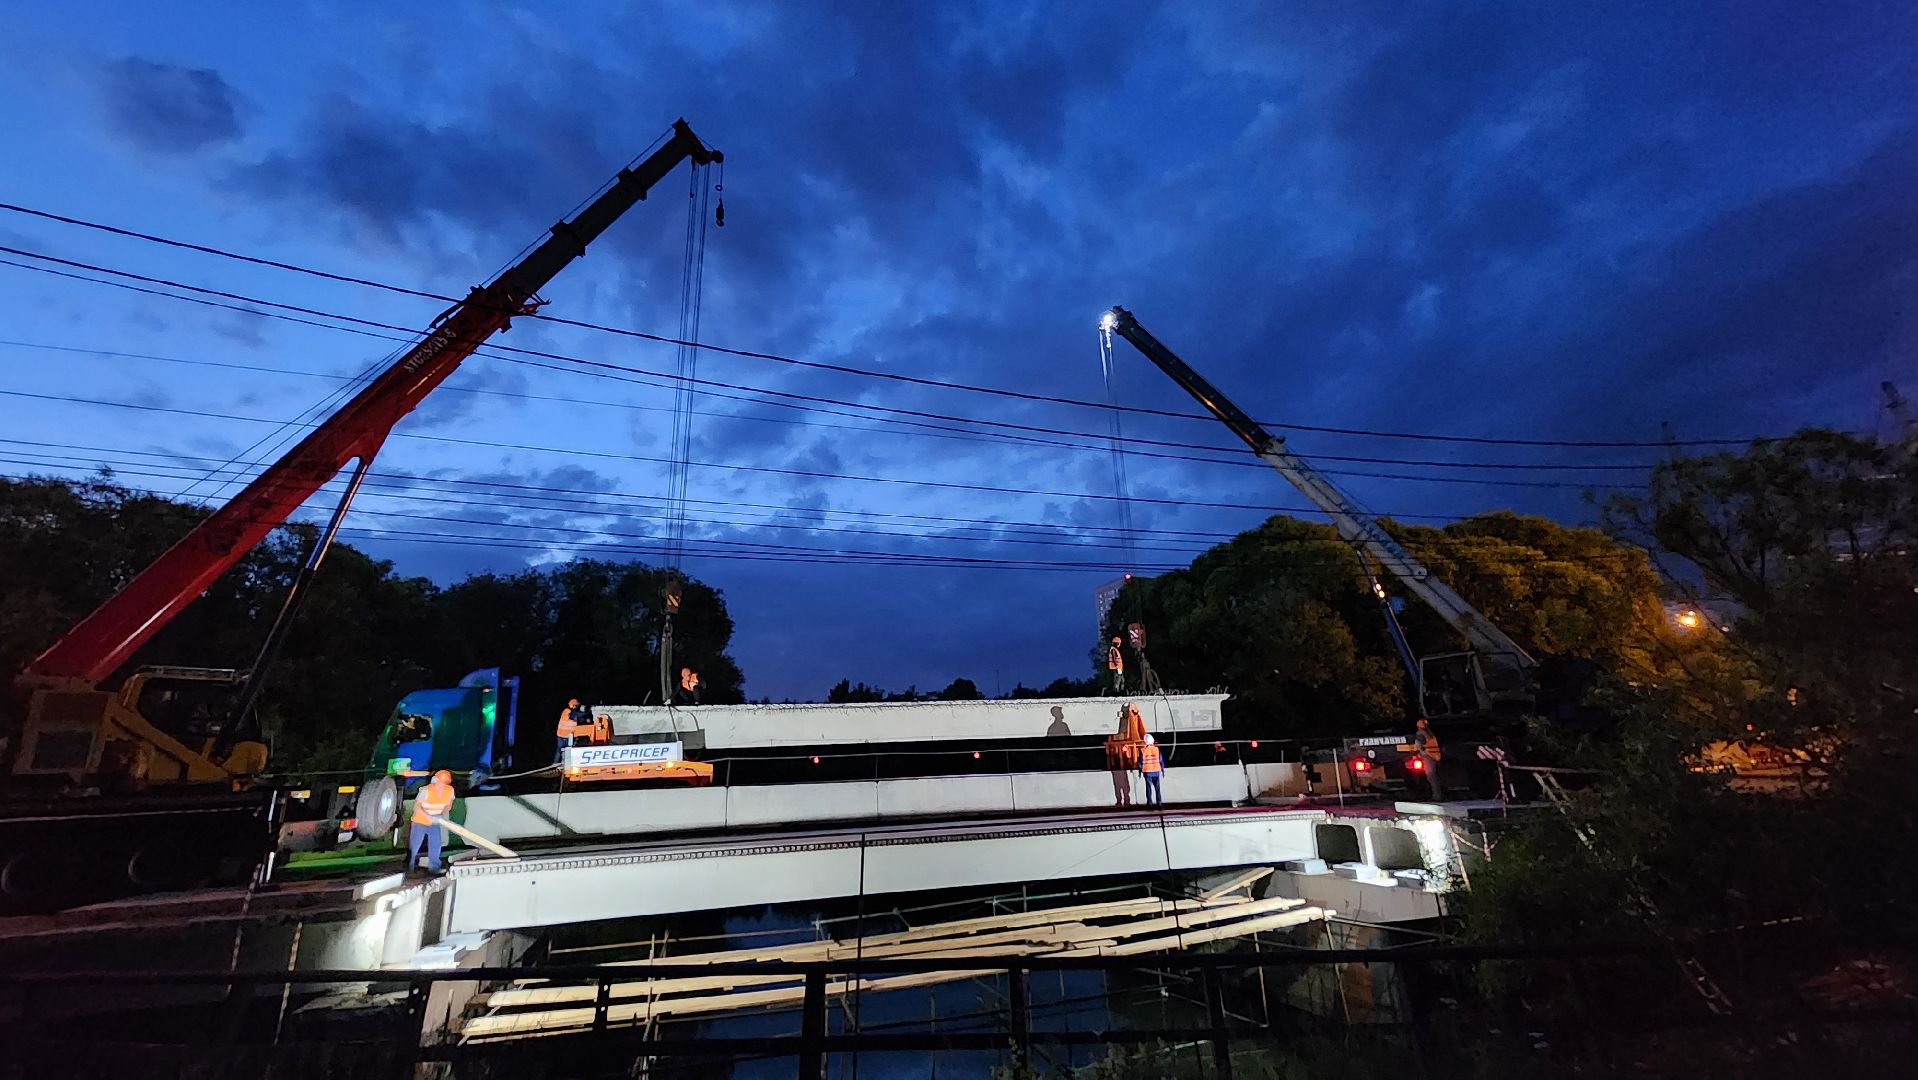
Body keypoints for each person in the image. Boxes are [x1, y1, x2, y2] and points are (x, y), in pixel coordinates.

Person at [407, 769, 456, 875]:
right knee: (414, 846)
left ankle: (434, 868)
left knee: (435, 844)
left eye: (443, 783)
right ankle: (409, 868)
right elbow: (417, 807)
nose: (440, 785)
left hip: (434, 823)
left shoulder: (450, 790)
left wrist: (439, 815)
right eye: (439, 783)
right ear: (435, 780)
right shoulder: (426, 790)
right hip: (419, 822)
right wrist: (428, 816)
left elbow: (448, 806)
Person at [1413, 717, 1443, 800]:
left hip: (1428, 756)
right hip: (1435, 756)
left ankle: (1437, 796)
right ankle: (1438, 794)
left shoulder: (1421, 734)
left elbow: (1419, 745)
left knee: (1430, 776)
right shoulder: (1429, 733)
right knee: (1434, 776)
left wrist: (1419, 754)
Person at [1139, 733, 1165, 806]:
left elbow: (1140, 762)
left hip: (1147, 772)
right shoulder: (1157, 749)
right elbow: (1161, 760)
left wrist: (1140, 770)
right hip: (1156, 771)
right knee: (1157, 788)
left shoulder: (1143, 750)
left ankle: (1149, 803)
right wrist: (1162, 769)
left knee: (1148, 788)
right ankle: (1159, 802)